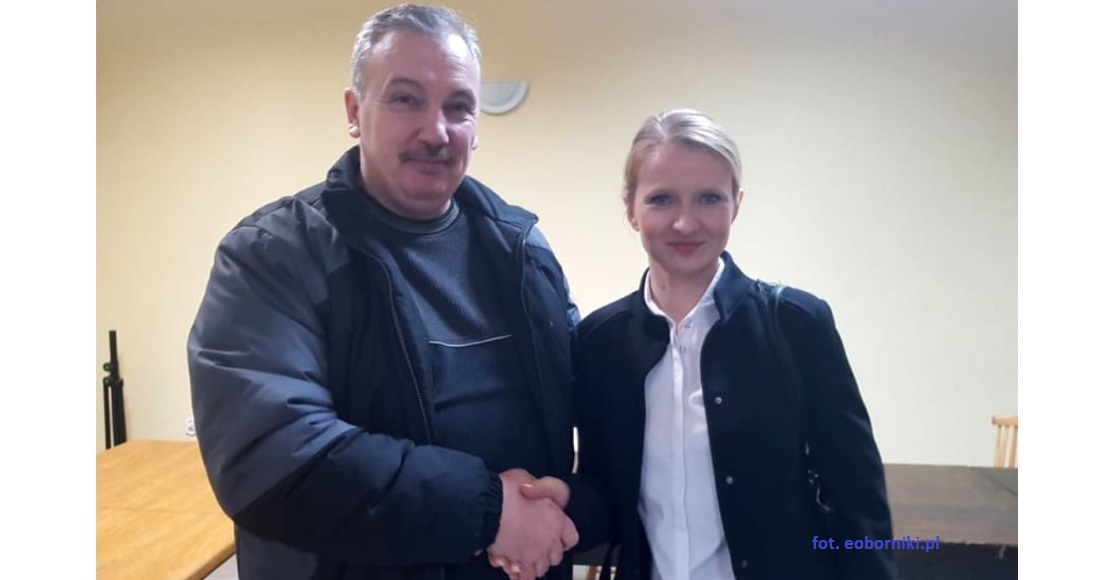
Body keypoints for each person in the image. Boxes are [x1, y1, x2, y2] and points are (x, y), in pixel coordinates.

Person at [186, 5, 580, 579]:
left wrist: (575, 508)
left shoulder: (524, 250)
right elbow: (272, 460)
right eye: (405, 99)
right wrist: (491, 513)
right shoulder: (272, 256)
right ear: (354, 111)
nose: (436, 131)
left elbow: (588, 393)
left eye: (459, 106)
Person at [517, 109, 897, 579]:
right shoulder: (600, 343)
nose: (685, 223)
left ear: (736, 204)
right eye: (662, 199)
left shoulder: (797, 325)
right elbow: (611, 495)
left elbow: (859, 503)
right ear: (630, 208)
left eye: (709, 198)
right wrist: (569, 500)